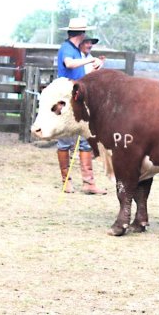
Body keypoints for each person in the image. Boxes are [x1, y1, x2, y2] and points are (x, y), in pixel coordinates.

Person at [55, 17, 107, 194]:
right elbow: (69, 64)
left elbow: (81, 73)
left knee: (85, 140)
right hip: (66, 98)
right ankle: (66, 181)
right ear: (82, 34)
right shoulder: (67, 49)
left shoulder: (77, 51)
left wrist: (94, 65)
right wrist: (89, 61)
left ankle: (88, 183)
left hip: (78, 98)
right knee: (65, 140)